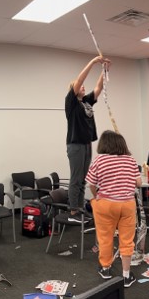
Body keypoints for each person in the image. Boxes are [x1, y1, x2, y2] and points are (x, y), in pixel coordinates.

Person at [86, 130, 142, 288]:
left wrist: (97, 195)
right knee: (127, 240)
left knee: (105, 237)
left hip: (105, 204)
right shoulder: (130, 160)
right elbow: (138, 183)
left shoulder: (99, 160)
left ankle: (105, 269)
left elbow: (91, 183)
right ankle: (126, 275)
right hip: (127, 204)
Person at [65, 55, 110, 221]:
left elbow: (98, 87)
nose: (83, 86)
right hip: (75, 144)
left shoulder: (86, 101)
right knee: (76, 179)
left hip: (86, 144)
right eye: (80, 86)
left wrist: (104, 70)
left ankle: (80, 208)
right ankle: (73, 212)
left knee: (83, 179)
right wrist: (92, 62)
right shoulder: (71, 102)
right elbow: (79, 79)